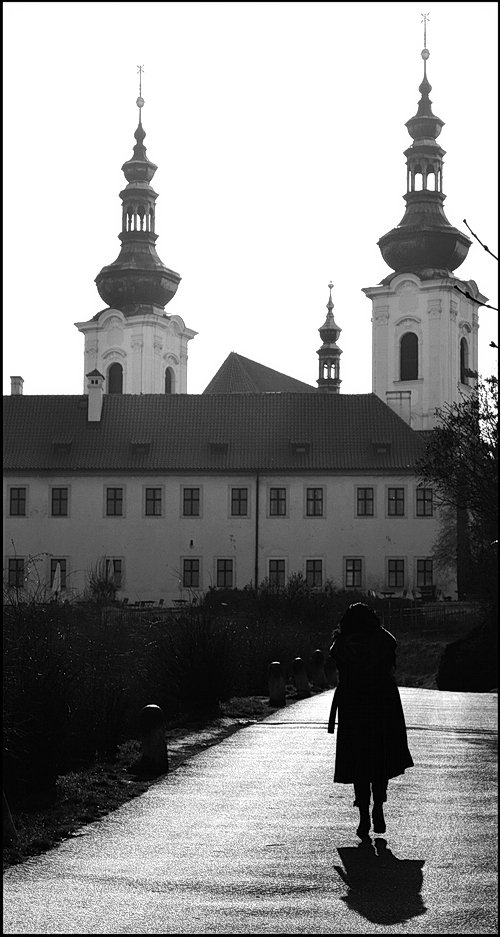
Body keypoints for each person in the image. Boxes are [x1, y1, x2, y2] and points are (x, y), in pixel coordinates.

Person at [327, 602, 414, 838]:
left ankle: (364, 815)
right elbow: (390, 668)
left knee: (358, 759)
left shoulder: (342, 645)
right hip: (382, 701)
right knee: (380, 756)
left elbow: (339, 671)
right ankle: (379, 807)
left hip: (353, 703)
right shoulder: (385, 640)